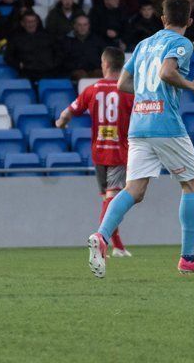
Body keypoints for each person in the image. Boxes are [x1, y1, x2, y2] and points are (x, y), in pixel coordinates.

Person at [89, 0, 194, 277]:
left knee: (134, 190)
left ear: (162, 19)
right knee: (191, 184)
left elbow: (122, 83)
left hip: (139, 125)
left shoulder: (143, 44)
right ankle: (188, 257)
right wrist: (191, 85)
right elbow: (167, 72)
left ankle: (101, 237)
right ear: (190, 21)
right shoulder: (181, 42)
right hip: (165, 124)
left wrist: (146, 94)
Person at [57, 47, 134, 257]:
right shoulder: (129, 90)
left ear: (105, 63)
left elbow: (67, 113)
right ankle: (101, 242)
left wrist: (60, 123)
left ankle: (117, 246)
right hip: (119, 153)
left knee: (109, 201)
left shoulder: (92, 89)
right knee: (112, 201)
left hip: (99, 153)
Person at [3, 11, 63, 80]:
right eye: (28, 22)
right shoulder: (16, 38)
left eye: (33, 21)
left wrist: (53, 64)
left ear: (37, 22)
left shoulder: (48, 35)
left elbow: (59, 52)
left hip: (48, 73)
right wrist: (18, 64)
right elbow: (8, 56)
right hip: (27, 74)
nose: (31, 24)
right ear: (22, 23)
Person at [63, 15, 107, 80]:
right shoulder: (67, 41)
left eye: (85, 25)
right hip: (76, 71)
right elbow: (64, 60)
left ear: (89, 25)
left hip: (95, 69)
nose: (82, 27)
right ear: (75, 26)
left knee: (99, 73)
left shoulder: (97, 39)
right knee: (81, 74)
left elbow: (104, 56)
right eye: (79, 25)